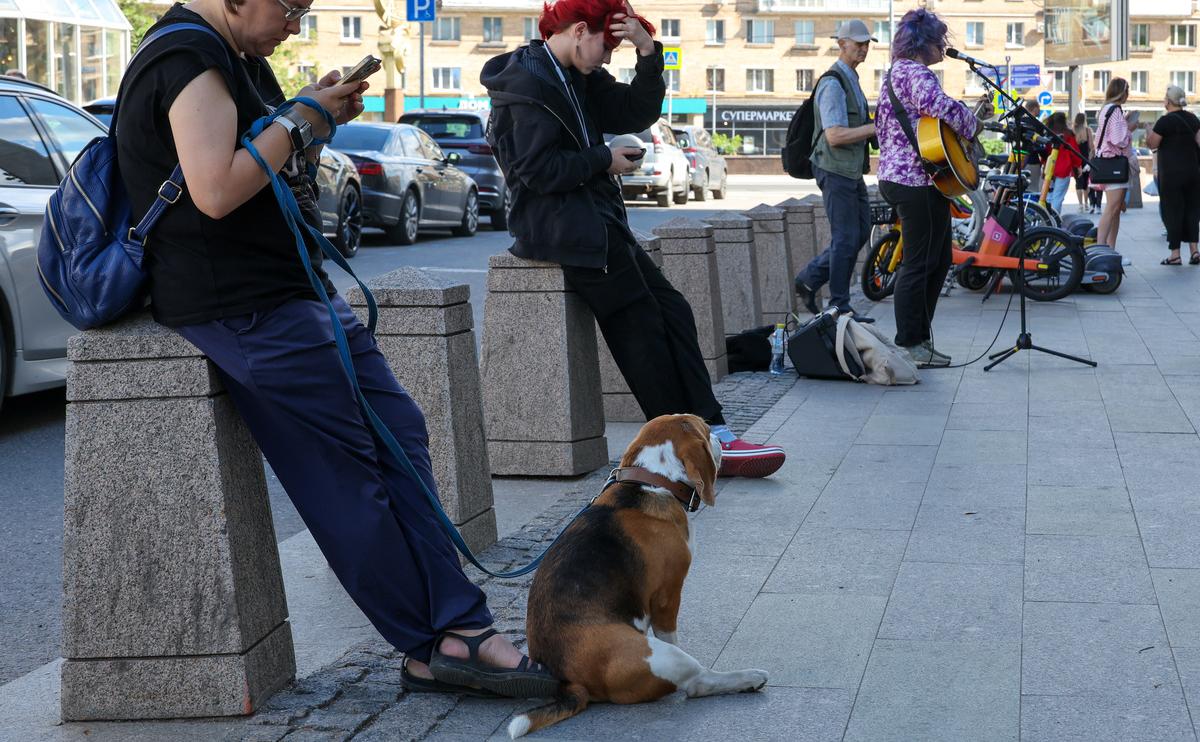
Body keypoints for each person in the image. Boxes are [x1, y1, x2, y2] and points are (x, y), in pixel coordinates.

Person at [116, 0, 559, 699]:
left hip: (296, 292)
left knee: (400, 432)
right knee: (349, 479)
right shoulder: (184, 58)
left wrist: (315, 120)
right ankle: (441, 637)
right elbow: (215, 189)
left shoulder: (238, 58)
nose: (295, 22)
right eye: (289, 6)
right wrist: (299, 120)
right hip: (244, 308)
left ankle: (449, 629)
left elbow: (269, 175)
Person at [482, 0, 785, 478]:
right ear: (580, 30)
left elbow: (636, 109)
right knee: (640, 330)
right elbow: (536, 173)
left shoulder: (574, 74)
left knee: (673, 310)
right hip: (564, 231)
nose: (608, 56)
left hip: (597, 224)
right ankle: (682, 446)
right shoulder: (528, 84)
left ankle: (712, 432)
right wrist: (604, 158)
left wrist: (648, 52)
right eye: (609, 44)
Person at [874, 8, 982, 368]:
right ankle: (910, 343)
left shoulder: (894, 75)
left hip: (906, 177)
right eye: (940, 42)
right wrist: (970, 121)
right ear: (925, 43)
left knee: (937, 261)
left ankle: (920, 339)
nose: (943, 48)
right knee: (921, 263)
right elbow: (937, 105)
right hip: (915, 180)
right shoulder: (917, 73)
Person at [793, 20, 877, 323]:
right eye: (859, 43)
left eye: (868, 43)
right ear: (842, 44)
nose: (865, 48)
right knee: (845, 238)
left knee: (858, 233)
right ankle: (840, 305)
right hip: (833, 168)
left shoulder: (851, 78)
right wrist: (874, 127)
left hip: (851, 171)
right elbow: (835, 136)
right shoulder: (833, 83)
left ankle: (809, 277)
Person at [1147, 84, 1200, 265]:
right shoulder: (1193, 119)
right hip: (1193, 172)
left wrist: (1148, 132)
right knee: (1193, 210)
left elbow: (1152, 144)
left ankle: (1175, 254)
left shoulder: (1164, 121)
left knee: (1173, 211)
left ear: (1168, 102)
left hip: (1171, 175)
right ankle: (1195, 251)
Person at [1091, 77, 1135, 253]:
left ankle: (1110, 250)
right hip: (1115, 164)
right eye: (1127, 91)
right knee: (1112, 208)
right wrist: (1129, 130)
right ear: (1122, 92)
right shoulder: (1115, 110)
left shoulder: (1106, 109)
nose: (1128, 94)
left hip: (1107, 161)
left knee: (1115, 209)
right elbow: (1118, 140)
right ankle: (1101, 248)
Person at [1045, 112, 1082, 216]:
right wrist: (1078, 165)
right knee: (1058, 197)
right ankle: (1053, 220)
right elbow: (1074, 152)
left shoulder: (1048, 133)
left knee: (1048, 196)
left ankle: (1045, 217)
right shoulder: (1068, 134)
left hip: (1049, 167)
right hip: (1064, 168)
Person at [1073, 112, 1098, 214]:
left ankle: (1080, 206)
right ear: (1084, 120)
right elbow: (1092, 148)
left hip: (1075, 160)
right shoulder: (1088, 131)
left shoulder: (1073, 131)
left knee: (1078, 182)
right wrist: (1090, 160)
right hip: (1086, 160)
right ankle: (1086, 204)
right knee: (1086, 183)